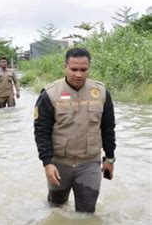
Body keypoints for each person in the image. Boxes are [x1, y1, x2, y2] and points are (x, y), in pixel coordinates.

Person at [34, 47, 116, 213]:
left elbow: (108, 128)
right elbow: (41, 132)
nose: (78, 74)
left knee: (87, 213)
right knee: (56, 208)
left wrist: (110, 158)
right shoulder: (50, 94)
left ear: (89, 67)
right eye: (74, 69)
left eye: (83, 69)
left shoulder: (101, 93)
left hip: (90, 163)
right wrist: (47, 163)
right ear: (65, 66)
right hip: (59, 164)